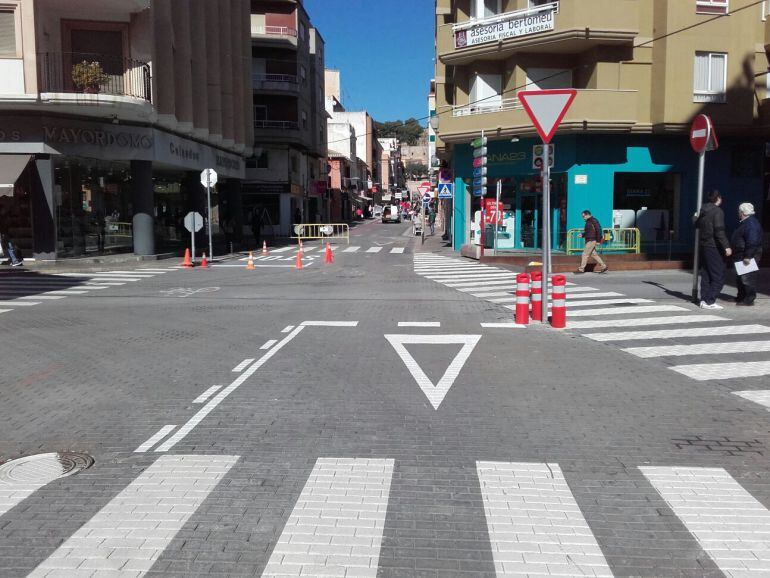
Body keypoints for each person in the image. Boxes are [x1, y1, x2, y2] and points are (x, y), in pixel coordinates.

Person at [695, 190, 732, 309]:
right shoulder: (718, 211)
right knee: (718, 275)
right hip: (714, 246)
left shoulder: (703, 210)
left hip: (704, 245)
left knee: (706, 273)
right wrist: (726, 246)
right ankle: (710, 301)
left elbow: (696, 224)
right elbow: (719, 231)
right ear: (718, 198)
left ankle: (703, 300)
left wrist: (695, 216)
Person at [731, 202, 763, 306]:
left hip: (747, 254)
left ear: (743, 212)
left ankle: (748, 299)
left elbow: (752, 241)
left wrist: (748, 256)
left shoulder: (751, 224)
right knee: (741, 277)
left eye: (739, 212)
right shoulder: (747, 222)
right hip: (741, 254)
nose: (738, 213)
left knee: (747, 278)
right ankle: (741, 296)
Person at [0, 203, 22, 267]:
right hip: (4, 234)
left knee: (9, 247)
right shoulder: (1, 218)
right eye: (3, 209)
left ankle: (14, 260)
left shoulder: (3, 217)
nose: (4, 210)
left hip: (4, 234)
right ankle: (14, 261)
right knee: (10, 247)